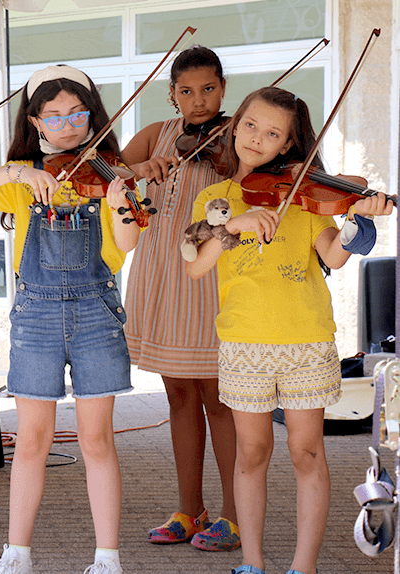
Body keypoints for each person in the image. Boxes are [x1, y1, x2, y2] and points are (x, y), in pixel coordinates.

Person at [185, 86, 394, 574]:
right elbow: (195, 264)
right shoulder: (215, 200)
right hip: (243, 344)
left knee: (307, 450)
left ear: (288, 146)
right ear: (236, 124)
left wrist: (357, 223)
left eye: (273, 133)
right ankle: (253, 564)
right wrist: (234, 224)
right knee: (251, 453)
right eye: (252, 125)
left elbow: (333, 255)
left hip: (305, 340)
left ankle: (304, 566)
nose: (258, 138)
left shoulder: (303, 199)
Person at [0, 64, 139, 574]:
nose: (67, 125)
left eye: (78, 114)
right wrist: (18, 170)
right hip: (34, 314)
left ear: (93, 115)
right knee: (32, 439)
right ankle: (17, 552)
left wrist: (123, 206)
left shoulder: (110, 174)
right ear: (34, 122)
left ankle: (107, 558)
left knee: (96, 439)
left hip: (96, 310)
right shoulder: (22, 180)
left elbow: (126, 244)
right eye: (53, 116)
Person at [121, 46, 238, 551]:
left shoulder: (237, 137)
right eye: (187, 91)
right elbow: (107, 173)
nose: (198, 101)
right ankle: (190, 508)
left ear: (223, 88)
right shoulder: (157, 133)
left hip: (208, 277)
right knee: (177, 394)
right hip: (161, 271)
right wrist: (142, 169)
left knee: (220, 398)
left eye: (208, 89)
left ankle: (235, 513)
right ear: (172, 93)